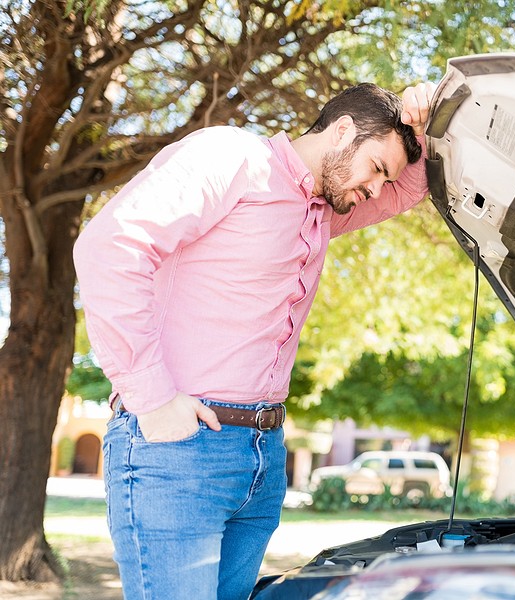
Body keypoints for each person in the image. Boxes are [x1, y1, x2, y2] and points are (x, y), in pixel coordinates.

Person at [73, 81, 436, 600]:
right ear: (342, 130)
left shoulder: (325, 206)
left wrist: (428, 112)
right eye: (376, 167)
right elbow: (111, 247)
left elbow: (410, 187)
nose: (377, 189)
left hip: (261, 457)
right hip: (179, 451)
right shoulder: (232, 156)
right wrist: (150, 398)